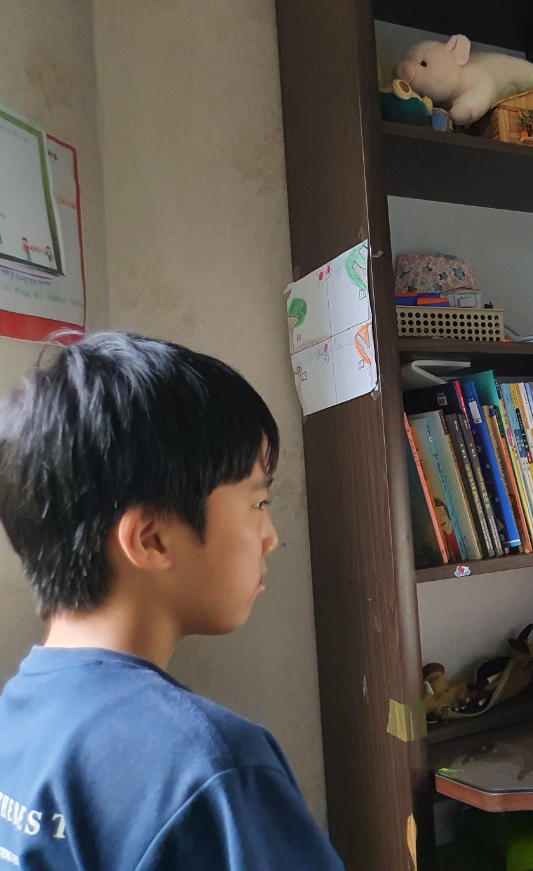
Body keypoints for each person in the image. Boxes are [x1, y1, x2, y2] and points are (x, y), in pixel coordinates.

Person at [0, 333, 344, 870]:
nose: (271, 537)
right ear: (152, 539)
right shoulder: (211, 767)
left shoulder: (15, 715)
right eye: (258, 502)